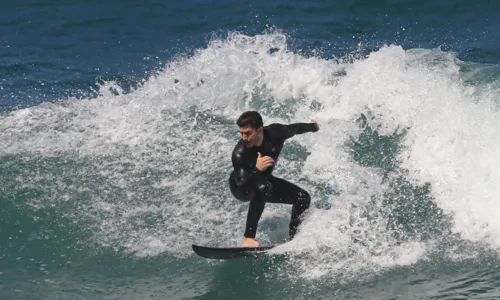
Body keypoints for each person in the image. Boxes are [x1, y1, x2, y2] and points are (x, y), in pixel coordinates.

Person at [228, 111, 319, 247]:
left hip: (264, 180)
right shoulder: (240, 153)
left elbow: (294, 128)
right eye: (241, 133)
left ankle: (294, 238)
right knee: (263, 187)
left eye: (247, 133)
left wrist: (313, 127)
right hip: (241, 186)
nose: (244, 137)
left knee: (302, 197)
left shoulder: (276, 132)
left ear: (259, 130)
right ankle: (248, 239)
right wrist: (257, 170)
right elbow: (243, 186)